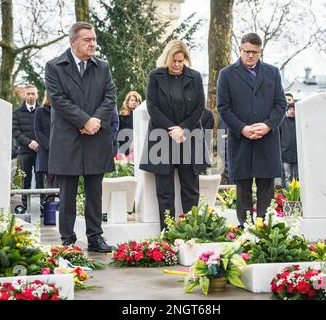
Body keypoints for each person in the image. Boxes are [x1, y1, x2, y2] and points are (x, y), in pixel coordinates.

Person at [45, 21, 116, 252]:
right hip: (68, 139)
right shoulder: (55, 66)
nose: (92, 44)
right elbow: (58, 99)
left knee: (95, 192)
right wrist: (84, 120)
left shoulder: (102, 67)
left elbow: (110, 97)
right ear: (73, 41)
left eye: (94, 39)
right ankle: (67, 239)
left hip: (96, 137)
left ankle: (95, 237)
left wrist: (95, 121)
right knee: (67, 193)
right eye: (87, 40)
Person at [217, 32, 286, 226]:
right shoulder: (227, 74)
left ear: (260, 51)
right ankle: (245, 228)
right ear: (240, 49)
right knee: (243, 188)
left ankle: (264, 226)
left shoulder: (272, 72)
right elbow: (223, 108)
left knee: (266, 188)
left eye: (254, 52)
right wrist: (242, 128)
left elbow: (281, 104)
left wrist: (267, 125)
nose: (250, 55)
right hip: (241, 140)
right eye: (246, 51)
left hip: (267, 139)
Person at [139, 40, 209, 231]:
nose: (177, 65)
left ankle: (191, 231)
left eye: (181, 60)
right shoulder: (156, 76)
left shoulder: (194, 77)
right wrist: (172, 129)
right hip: (162, 137)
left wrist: (182, 129)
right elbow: (152, 106)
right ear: (167, 58)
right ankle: (167, 233)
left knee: (191, 189)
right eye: (174, 61)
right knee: (165, 191)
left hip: (188, 137)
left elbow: (199, 107)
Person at [12, 84, 44, 209]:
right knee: (26, 178)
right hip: (25, 151)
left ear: (37, 95)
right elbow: (15, 131)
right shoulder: (17, 112)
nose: (30, 96)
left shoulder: (43, 111)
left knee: (40, 178)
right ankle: (25, 205)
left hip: (40, 151)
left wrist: (38, 142)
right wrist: (29, 142)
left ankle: (42, 204)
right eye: (28, 93)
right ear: (24, 95)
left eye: (33, 93)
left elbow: (47, 129)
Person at [34, 91, 55, 189]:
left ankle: (62, 204)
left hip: (62, 150)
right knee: (49, 180)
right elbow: (38, 131)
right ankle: (50, 204)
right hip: (46, 151)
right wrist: (49, 146)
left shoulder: (62, 111)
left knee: (62, 181)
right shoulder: (40, 111)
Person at [279, 103, 298, 188]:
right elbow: (278, 137)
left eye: (294, 109)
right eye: (290, 109)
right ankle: (288, 196)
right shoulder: (282, 122)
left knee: (297, 177)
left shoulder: (299, 122)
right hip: (285, 153)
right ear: (287, 111)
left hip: (297, 154)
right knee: (287, 176)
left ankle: (297, 196)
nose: (292, 111)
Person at [118, 91, 142, 155]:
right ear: (127, 101)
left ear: (139, 103)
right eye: (131, 100)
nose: (134, 102)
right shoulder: (121, 116)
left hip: (138, 146)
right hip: (124, 147)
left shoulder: (142, 117)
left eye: (136, 101)